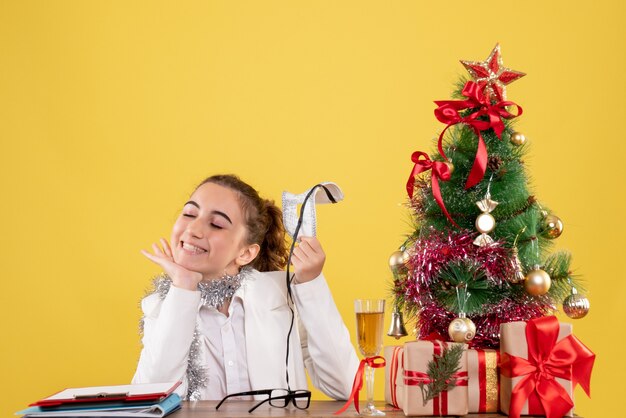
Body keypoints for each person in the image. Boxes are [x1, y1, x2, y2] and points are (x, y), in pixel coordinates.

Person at [132, 174, 359, 401]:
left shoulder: (283, 297)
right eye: (189, 213)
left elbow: (347, 387)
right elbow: (149, 398)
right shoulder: (162, 307)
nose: (193, 229)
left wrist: (311, 283)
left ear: (246, 253)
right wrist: (183, 286)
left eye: (216, 224)